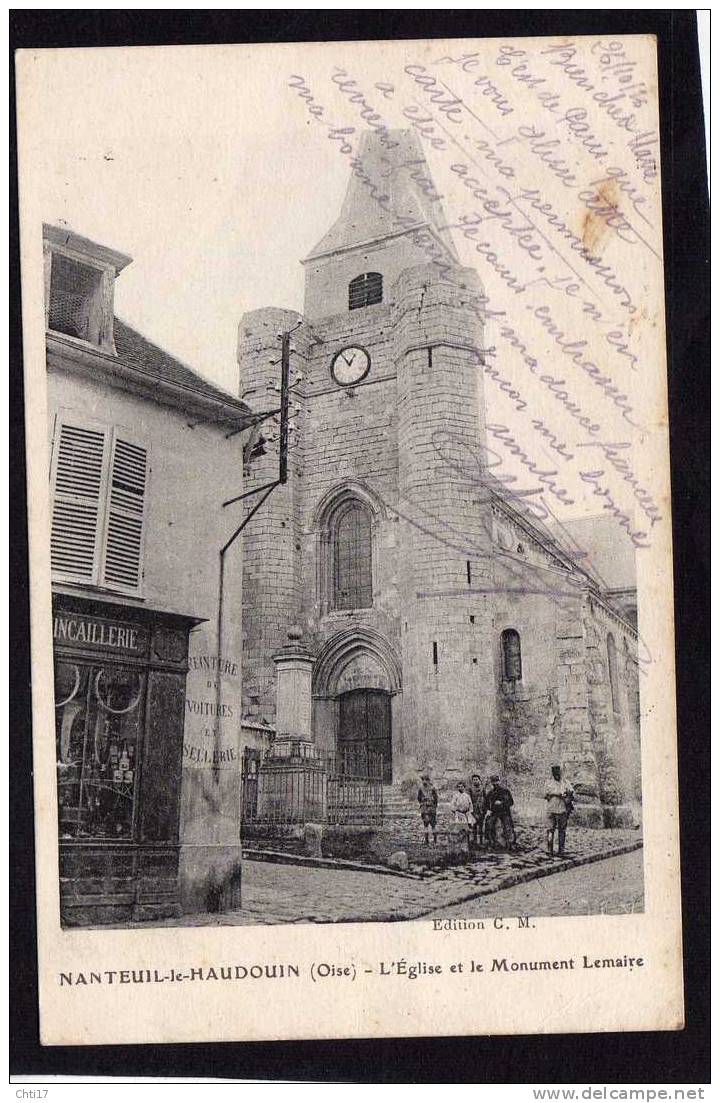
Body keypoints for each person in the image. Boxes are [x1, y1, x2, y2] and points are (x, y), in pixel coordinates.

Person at [544, 764, 574, 857]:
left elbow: (571, 792)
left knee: (562, 831)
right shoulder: (548, 783)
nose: (556, 774)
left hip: (562, 809)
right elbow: (545, 794)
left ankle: (561, 850)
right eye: (555, 772)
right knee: (550, 830)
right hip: (551, 809)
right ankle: (550, 850)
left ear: (560, 772)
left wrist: (567, 794)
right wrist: (556, 794)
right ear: (552, 773)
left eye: (558, 772)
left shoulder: (565, 782)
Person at [485, 775, 517, 850]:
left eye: (497, 781)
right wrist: (489, 810)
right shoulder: (490, 793)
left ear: (499, 781)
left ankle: (511, 843)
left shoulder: (505, 791)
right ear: (491, 783)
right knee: (489, 824)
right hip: (494, 812)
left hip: (504, 812)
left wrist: (502, 802)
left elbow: (511, 802)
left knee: (508, 826)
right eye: (493, 782)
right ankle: (491, 842)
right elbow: (486, 804)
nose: (495, 783)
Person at [450, 780, 474, 853]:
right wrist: (457, 810)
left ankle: (466, 846)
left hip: (466, 814)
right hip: (458, 814)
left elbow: (471, 806)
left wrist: (468, 812)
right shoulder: (455, 796)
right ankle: (458, 846)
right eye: (459, 787)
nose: (460, 788)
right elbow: (452, 806)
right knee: (459, 829)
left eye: (462, 786)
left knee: (467, 830)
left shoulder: (467, 796)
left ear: (464, 787)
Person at [417, 773, 439, 845]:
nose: (424, 781)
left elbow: (436, 799)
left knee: (433, 824)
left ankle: (435, 840)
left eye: (426, 780)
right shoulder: (420, 789)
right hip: (424, 808)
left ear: (429, 780)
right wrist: (422, 804)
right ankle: (426, 840)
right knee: (425, 824)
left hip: (431, 808)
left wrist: (434, 806)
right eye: (423, 780)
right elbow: (419, 798)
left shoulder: (433, 788)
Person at [469, 774, 486, 850]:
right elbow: (469, 800)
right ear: (472, 781)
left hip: (481, 809)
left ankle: (482, 842)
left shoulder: (483, 788)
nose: (475, 781)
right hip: (474, 810)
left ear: (479, 780)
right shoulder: (470, 789)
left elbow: (486, 799)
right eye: (474, 779)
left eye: (477, 779)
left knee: (481, 826)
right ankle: (475, 842)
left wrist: (485, 809)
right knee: (474, 826)